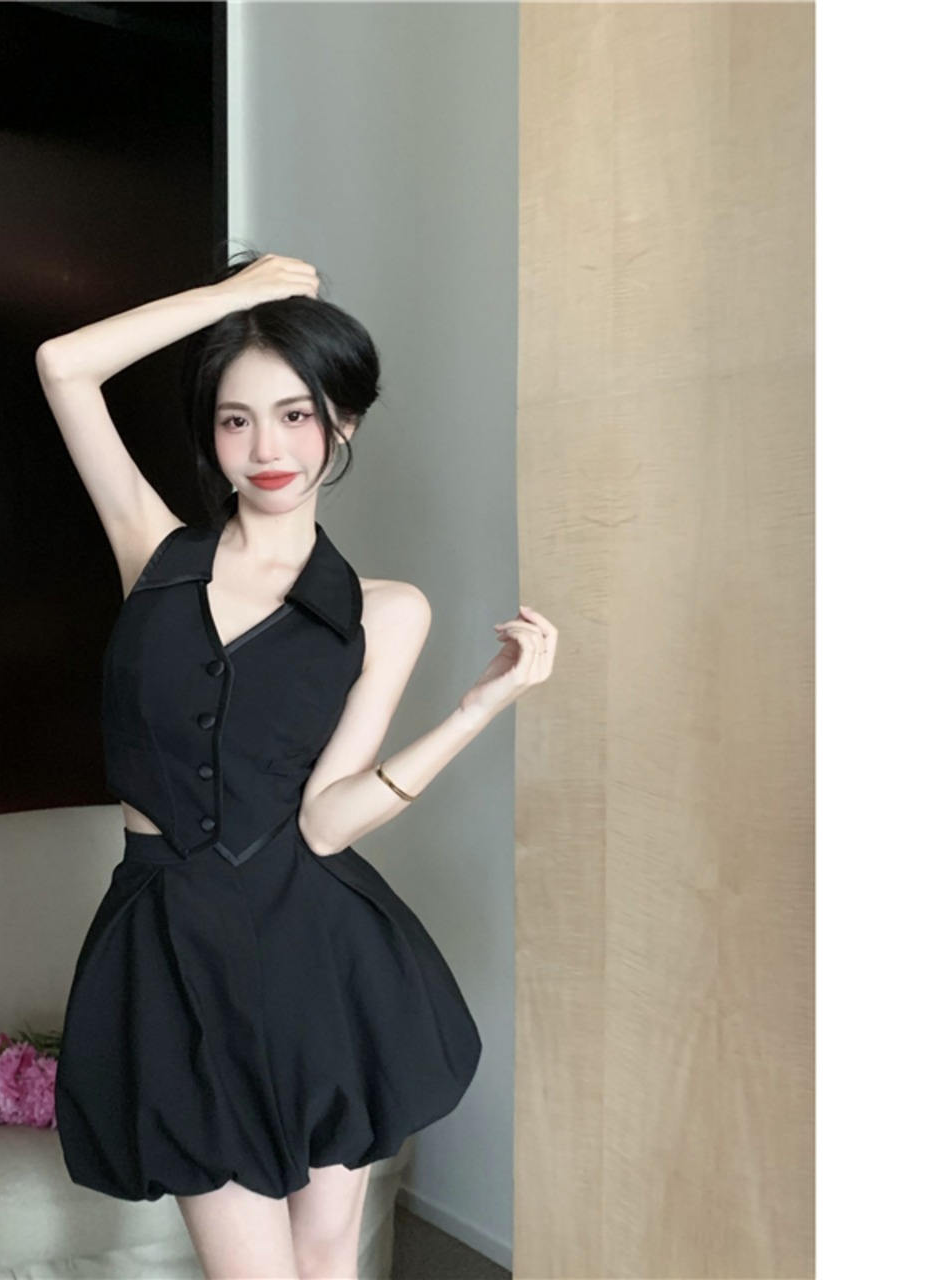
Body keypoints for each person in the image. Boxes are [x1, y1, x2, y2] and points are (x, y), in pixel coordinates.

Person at [36, 251, 557, 1280]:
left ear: (341, 423)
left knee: (324, 1260)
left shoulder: (382, 611)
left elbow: (325, 821)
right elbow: (63, 365)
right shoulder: (152, 553)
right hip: (169, 940)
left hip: (315, 946)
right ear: (210, 434)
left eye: (295, 414)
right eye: (236, 419)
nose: (267, 447)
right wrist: (235, 300)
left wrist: (475, 709)